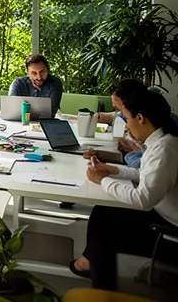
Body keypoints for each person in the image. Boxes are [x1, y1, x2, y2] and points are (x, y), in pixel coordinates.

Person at [70, 89, 178, 290]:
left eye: (126, 118)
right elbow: (145, 174)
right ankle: (91, 268)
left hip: (169, 229)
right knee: (104, 211)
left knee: (106, 228)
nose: (126, 126)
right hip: (161, 213)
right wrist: (112, 170)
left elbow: (143, 199)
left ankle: (102, 287)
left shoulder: (164, 150)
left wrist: (104, 180)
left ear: (140, 118)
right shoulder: (163, 141)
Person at [83, 80, 178, 169]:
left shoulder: (160, 130)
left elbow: (141, 167)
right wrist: (100, 155)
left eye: (120, 109)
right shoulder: (138, 117)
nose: (119, 113)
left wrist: (132, 152)